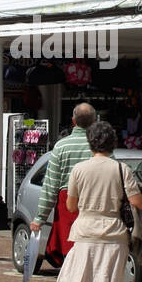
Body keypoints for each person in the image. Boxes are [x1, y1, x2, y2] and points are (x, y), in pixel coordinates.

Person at [47, 120, 142, 282]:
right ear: (113, 144)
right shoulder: (122, 170)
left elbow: (71, 204)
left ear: (91, 143)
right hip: (113, 235)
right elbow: (138, 202)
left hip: (85, 234)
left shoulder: (79, 170)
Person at [31, 103, 96, 261]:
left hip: (68, 206)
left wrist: (40, 218)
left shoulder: (61, 146)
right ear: (94, 122)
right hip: (94, 206)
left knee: (70, 256)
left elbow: (51, 186)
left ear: (73, 121)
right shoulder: (100, 147)